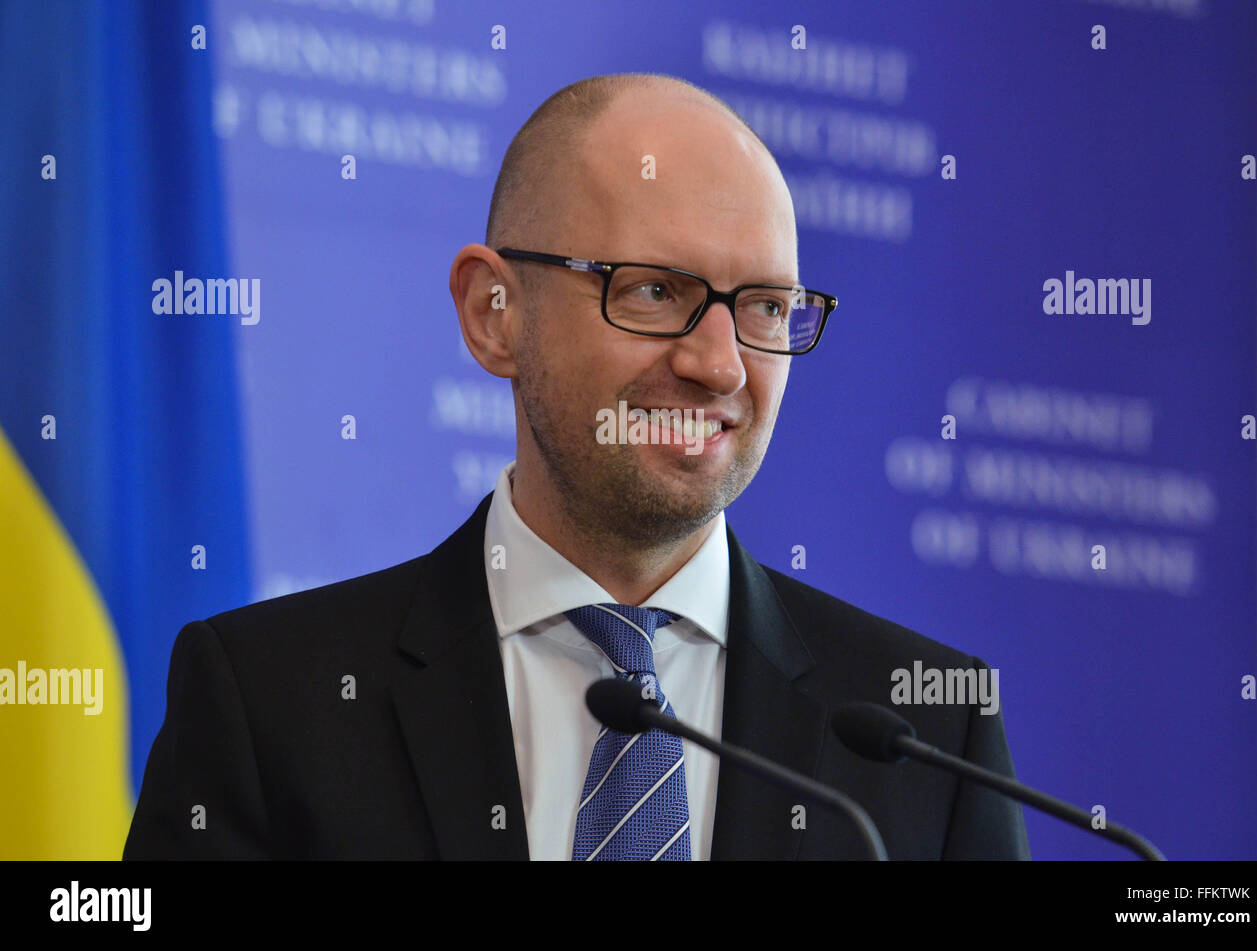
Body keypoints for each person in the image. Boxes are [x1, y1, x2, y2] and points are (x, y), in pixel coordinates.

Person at [124, 72, 1030, 861]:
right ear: (493, 313)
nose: (718, 364)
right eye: (653, 291)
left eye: (762, 307)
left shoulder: (923, 734)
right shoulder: (270, 701)